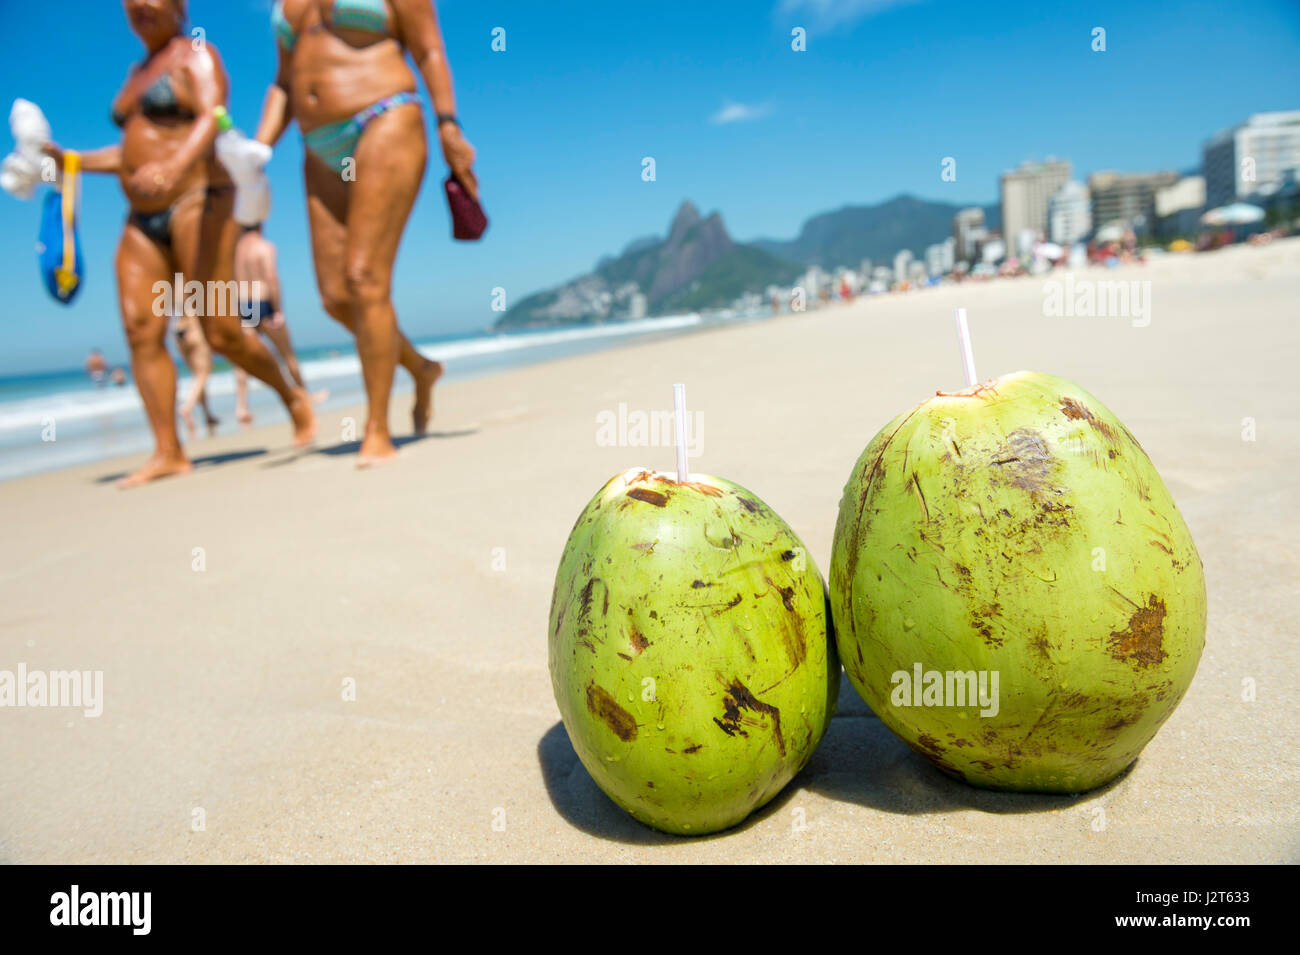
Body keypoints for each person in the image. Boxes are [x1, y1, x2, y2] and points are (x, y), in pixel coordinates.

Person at [44, 0, 314, 487]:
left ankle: (293, 397)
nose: (139, 6)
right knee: (141, 328)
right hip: (141, 216)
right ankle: (168, 449)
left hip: (199, 198)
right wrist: (71, 160)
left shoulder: (196, 53)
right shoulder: (134, 74)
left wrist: (174, 166)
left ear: (178, 7)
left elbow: (214, 116)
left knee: (221, 330)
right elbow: (128, 153)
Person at [255, 0, 477, 465]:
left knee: (365, 278)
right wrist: (255, 150)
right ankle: (419, 368)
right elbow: (282, 82)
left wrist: (448, 124)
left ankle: (377, 427)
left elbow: (429, 50)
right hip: (317, 145)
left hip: (384, 115)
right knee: (336, 297)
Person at [231, 225, 327, 426]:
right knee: (287, 354)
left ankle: (242, 406)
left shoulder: (236, 250)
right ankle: (305, 395)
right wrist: (277, 310)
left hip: (242, 304)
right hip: (263, 302)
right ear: (261, 224)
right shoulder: (264, 247)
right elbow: (271, 278)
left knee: (242, 360)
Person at [172, 309, 219, 437]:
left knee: (197, 376)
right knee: (203, 374)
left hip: (178, 330)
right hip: (194, 327)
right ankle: (187, 408)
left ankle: (207, 414)